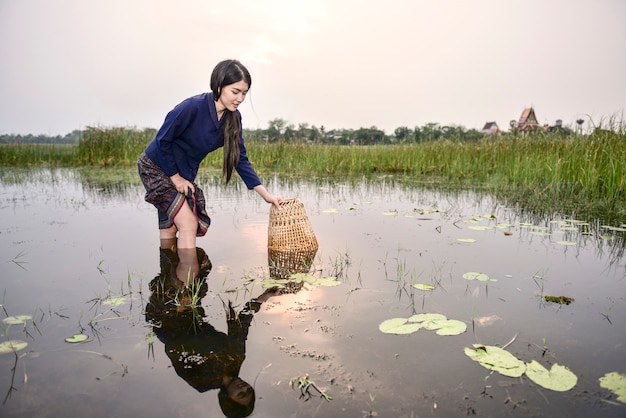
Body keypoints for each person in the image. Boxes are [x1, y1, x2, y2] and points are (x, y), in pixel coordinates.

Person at [138, 59, 283, 250]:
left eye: (244, 93)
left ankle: (169, 277)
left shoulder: (233, 118)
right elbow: (162, 140)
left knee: (170, 228)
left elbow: (240, 158)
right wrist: (176, 179)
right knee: (189, 224)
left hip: (182, 173)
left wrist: (266, 195)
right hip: (156, 167)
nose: (240, 98)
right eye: (235, 92)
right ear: (219, 85)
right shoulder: (191, 107)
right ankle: (190, 279)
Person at [145, 247, 280, 418]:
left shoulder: (201, 382)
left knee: (180, 273)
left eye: (241, 394)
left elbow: (172, 347)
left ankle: (169, 233)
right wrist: (264, 297)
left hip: (166, 319)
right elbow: (241, 324)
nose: (244, 387)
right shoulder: (236, 358)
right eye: (248, 390)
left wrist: (179, 311)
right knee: (201, 261)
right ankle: (176, 230)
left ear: (227, 399)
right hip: (191, 311)